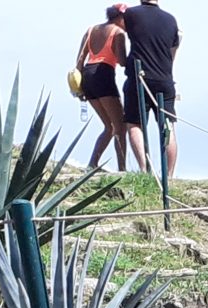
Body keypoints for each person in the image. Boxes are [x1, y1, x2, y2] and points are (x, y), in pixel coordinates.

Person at [119, 0, 180, 178]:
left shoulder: (132, 14)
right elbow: (174, 48)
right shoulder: (171, 19)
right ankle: (169, 177)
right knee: (167, 126)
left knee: (135, 124)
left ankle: (145, 171)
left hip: (139, 78)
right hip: (165, 79)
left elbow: (118, 31)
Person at [77, 6, 130, 171]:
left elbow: (80, 60)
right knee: (120, 126)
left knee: (109, 126)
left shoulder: (91, 30)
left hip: (87, 76)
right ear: (120, 17)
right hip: (103, 74)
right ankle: (122, 169)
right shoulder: (118, 33)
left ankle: (92, 164)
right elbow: (122, 61)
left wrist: (79, 87)